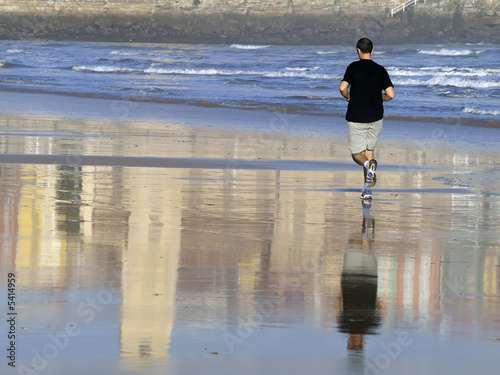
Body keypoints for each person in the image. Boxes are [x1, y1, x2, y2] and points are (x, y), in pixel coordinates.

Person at [339, 38, 395, 200]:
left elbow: (342, 87)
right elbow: (391, 94)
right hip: (376, 117)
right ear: (372, 50)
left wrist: (348, 96)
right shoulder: (380, 70)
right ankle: (367, 190)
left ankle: (366, 166)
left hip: (357, 116)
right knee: (369, 152)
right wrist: (381, 98)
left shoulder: (353, 67)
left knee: (357, 154)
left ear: (358, 50)